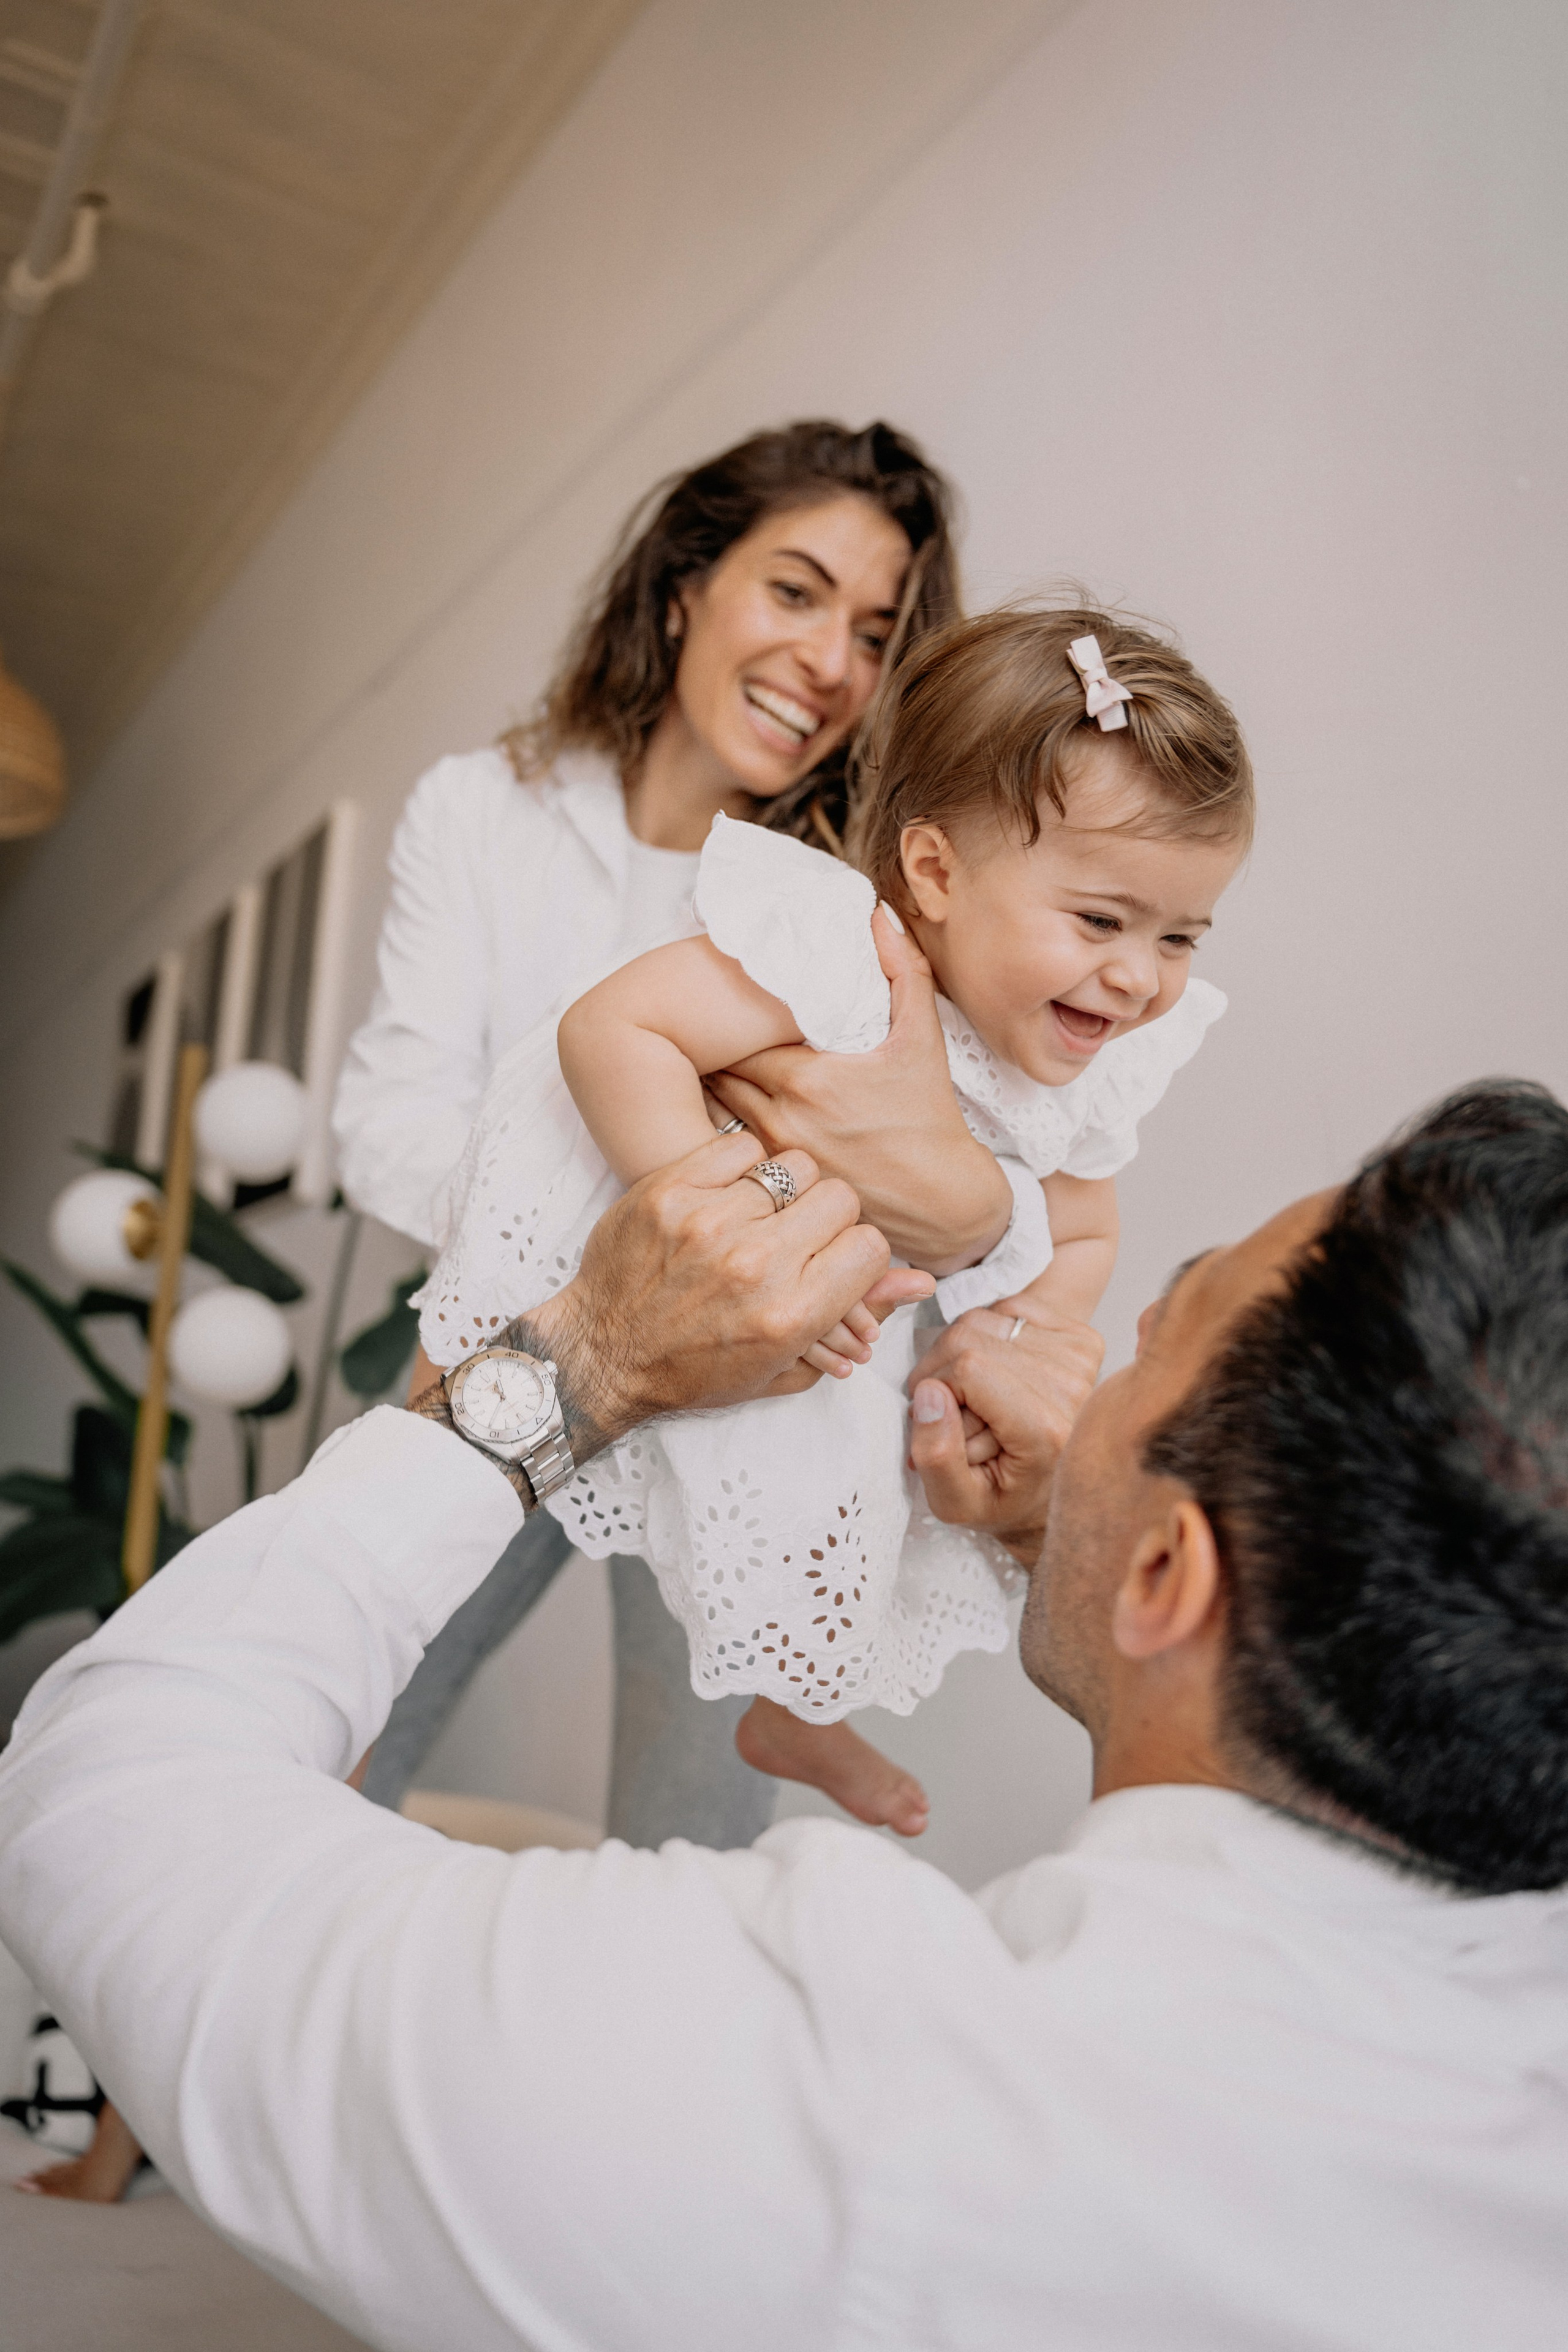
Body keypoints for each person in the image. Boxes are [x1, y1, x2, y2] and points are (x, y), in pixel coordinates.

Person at [4, 1080, 1566, 2348]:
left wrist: (587, 1358)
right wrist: (1072, 1555)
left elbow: (113, 1799)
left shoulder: (825, 2098)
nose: (1088, 1386)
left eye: (1153, 1338)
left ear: (1172, 1568)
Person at [420, 606, 1250, 1831]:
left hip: (809, 1353)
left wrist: (1017, 1330)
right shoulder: (829, 956)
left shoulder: (1061, 1064)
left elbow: (1081, 1226)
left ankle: (784, 1704)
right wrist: (719, 1216)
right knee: (440, 1587)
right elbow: (610, 1032)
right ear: (931, 875)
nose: (1139, 978)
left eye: (1179, 936)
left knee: (854, 1481)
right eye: (1099, 921)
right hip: (619, 1292)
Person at [330, 417, 1011, 1846]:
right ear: (685, 583)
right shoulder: (483, 814)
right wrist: (650, 1215)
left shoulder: (848, 901)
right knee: (331, 1723)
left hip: (750, 1385)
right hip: (519, 1338)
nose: (830, 661)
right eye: (795, 591)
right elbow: (390, 1123)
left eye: (875, 633)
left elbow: (945, 1193)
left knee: (689, 1839)